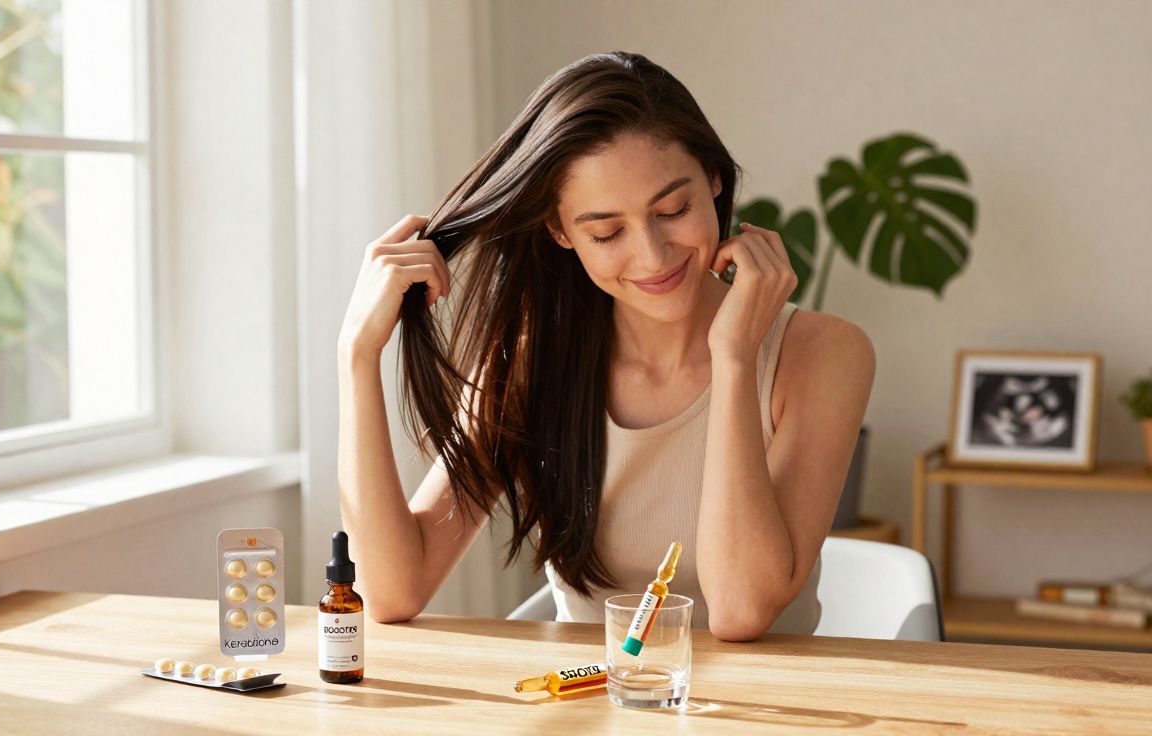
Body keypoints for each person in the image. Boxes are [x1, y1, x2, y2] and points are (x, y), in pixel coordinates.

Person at [336, 51, 875, 641]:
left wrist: (736, 357)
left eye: (674, 209)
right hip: (590, 706)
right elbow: (390, 590)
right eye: (607, 231)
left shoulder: (823, 355)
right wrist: (356, 357)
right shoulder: (532, 362)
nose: (652, 255)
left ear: (715, 179)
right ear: (561, 232)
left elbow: (741, 611)